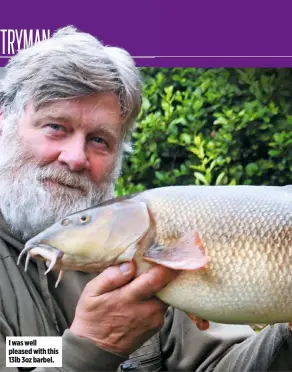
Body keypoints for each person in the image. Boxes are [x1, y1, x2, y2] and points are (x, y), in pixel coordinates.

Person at [0, 26, 291, 372]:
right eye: (56, 127)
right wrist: (89, 348)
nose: (76, 157)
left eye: (99, 140)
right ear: (4, 125)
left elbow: (219, 363)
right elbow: (16, 356)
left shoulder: (142, 242)